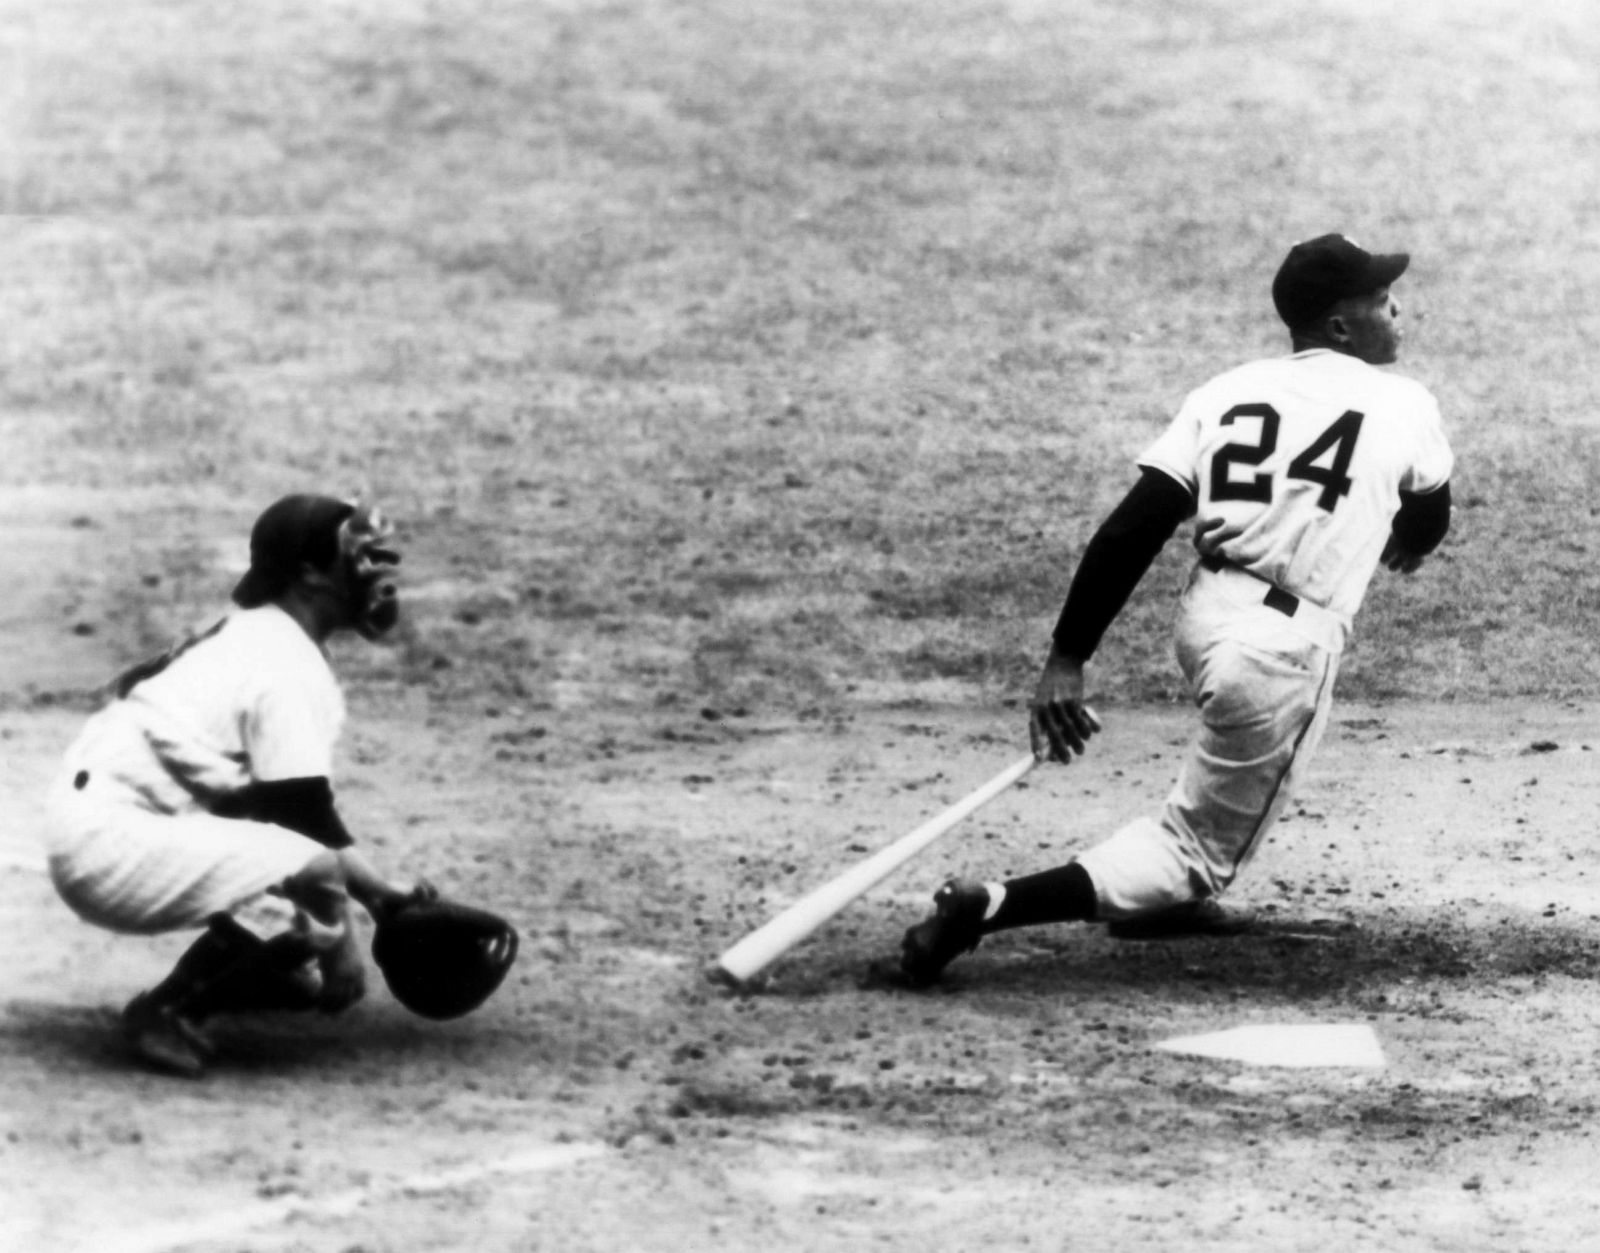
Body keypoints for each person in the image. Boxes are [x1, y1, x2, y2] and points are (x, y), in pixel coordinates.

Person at [900, 233, 1454, 985]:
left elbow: (1134, 525)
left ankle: (1155, 889)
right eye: (1384, 301)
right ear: (1339, 327)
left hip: (1207, 617)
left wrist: (1068, 657)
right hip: (1278, 654)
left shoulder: (1224, 391)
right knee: (1195, 857)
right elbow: (1428, 519)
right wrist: (1404, 538)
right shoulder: (1406, 401)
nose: (1400, 310)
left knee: (1214, 772)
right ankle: (989, 905)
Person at [45, 493, 435, 1075]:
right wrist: (345, 946)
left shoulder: (258, 634)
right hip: (113, 841)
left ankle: (261, 971)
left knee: (290, 867)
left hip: (103, 820)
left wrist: (380, 892)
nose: (377, 571)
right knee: (310, 886)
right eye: (360, 556)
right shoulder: (283, 664)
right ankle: (168, 1010)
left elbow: (284, 807)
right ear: (307, 571)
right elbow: (302, 825)